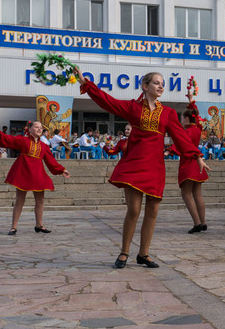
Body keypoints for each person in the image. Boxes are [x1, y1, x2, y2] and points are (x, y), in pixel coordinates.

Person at [74, 66, 210, 269]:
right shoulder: (132, 107)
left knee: (152, 211)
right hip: (135, 163)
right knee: (134, 209)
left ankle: (143, 254)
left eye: (162, 84)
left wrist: (197, 155)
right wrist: (87, 84)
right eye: (156, 83)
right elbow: (108, 101)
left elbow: (180, 137)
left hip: (155, 166)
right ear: (145, 86)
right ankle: (124, 252)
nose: (160, 86)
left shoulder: (168, 113)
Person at [0, 121, 70, 235]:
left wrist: (62, 170)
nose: (39, 129)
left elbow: (51, 161)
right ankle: (14, 227)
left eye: (41, 127)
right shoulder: (23, 140)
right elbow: (9, 140)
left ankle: (39, 225)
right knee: (19, 200)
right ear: (29, 129)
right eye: (36, 127)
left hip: (38, 174)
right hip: (23, 172)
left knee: (40, 201)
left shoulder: (44, 146)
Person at [165, 91, 210, 234]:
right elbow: (194, 114)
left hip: (189, 162)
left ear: (185, 118)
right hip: (197, 162)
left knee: (186, 195)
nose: (181, 120)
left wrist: (168, 151)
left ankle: (197, 223)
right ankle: (202, 222)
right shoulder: (197, 128)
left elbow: (180, 144)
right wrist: (191, 101)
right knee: (197, 194)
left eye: (182, 118)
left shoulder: (187, 131)